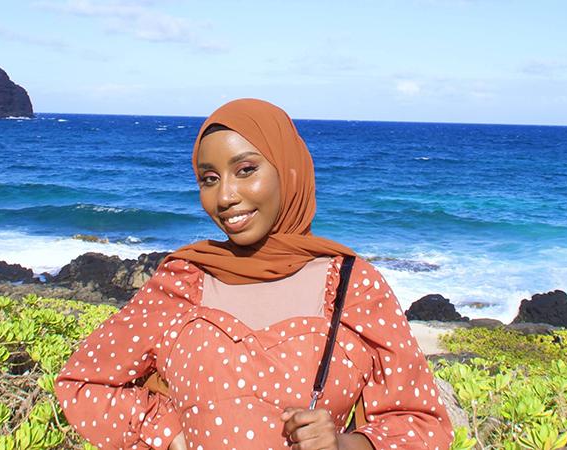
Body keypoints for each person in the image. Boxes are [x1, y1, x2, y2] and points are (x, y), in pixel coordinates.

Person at [55, 98, 453, 449]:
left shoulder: (351, 285)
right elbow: (82, 383)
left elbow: (420, 423)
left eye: (245, 170)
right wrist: (166, 433)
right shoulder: (184, 281)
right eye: (209, 179)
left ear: (288, 170)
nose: (225, 197)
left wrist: (344, 445)